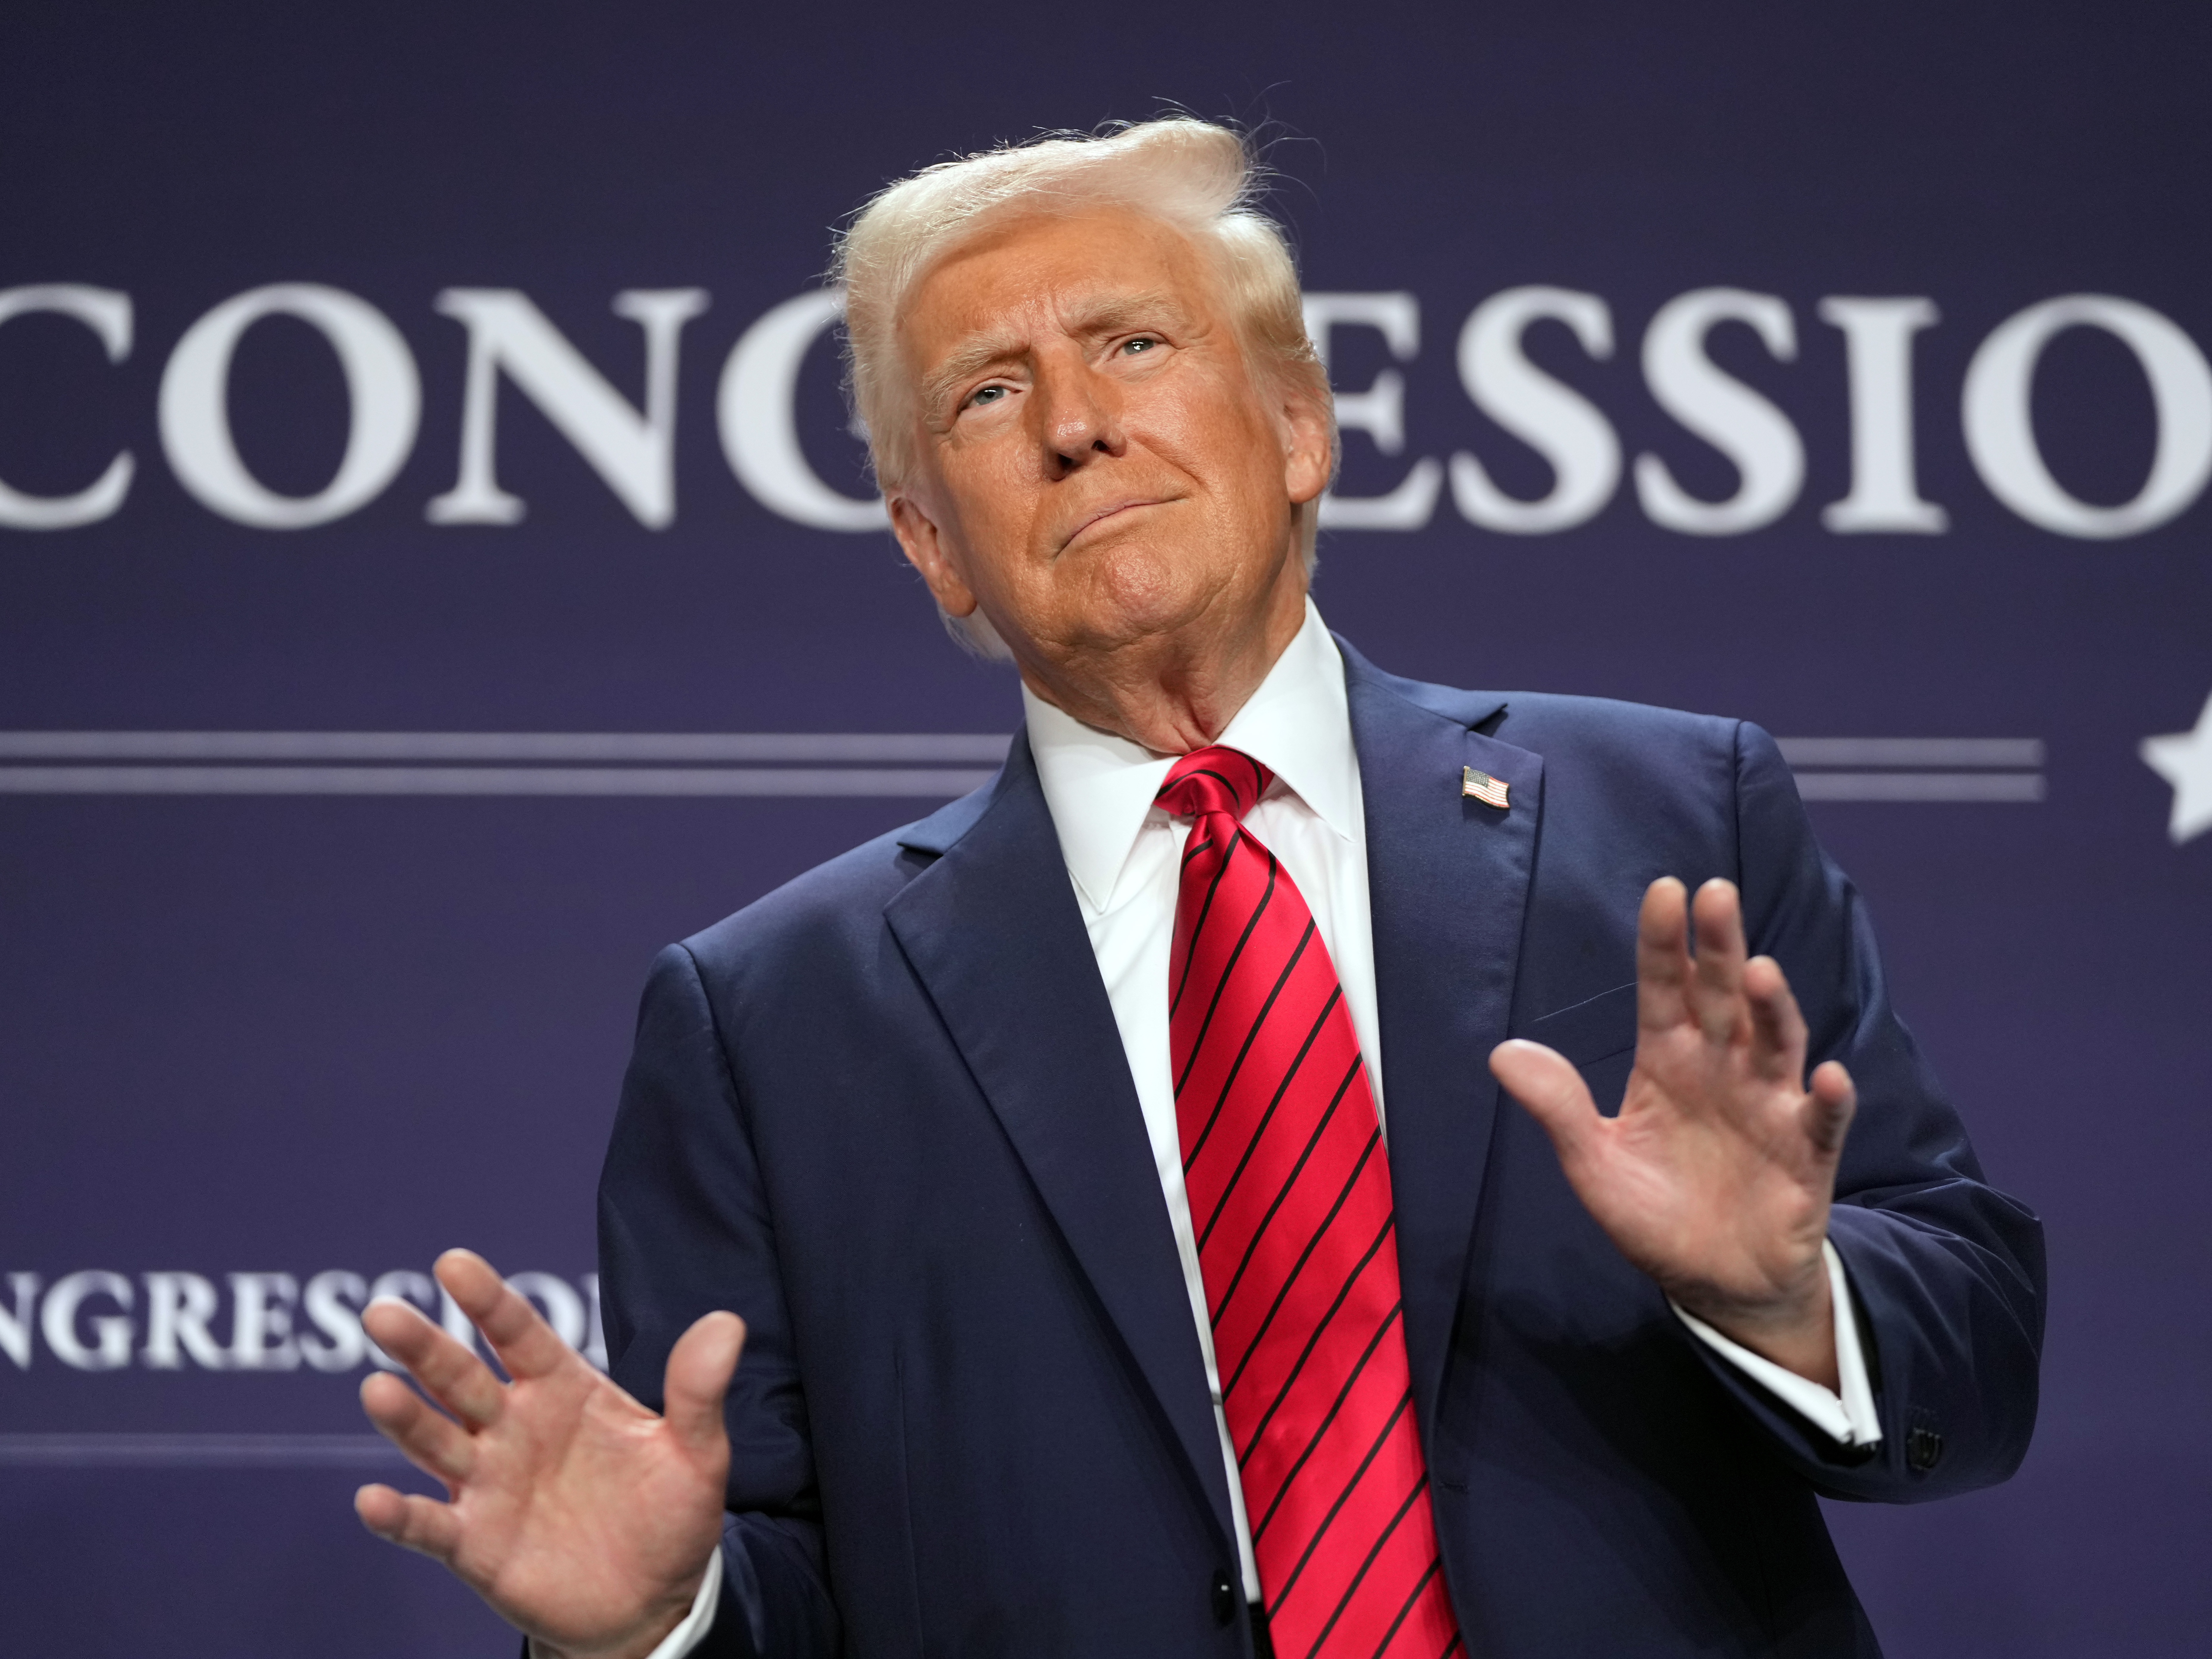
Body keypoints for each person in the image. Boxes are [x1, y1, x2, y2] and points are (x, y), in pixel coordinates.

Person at [353, 119, 2044, 1659]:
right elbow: (777, 1578)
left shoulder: (1674, 810)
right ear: (931, 542)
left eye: (1133, 346)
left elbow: (1973, 1359)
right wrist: (662, 1617)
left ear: (1296, 426)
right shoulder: (766, 1017)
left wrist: (1781, 1298)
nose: (1077, 424)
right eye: (986, 396)